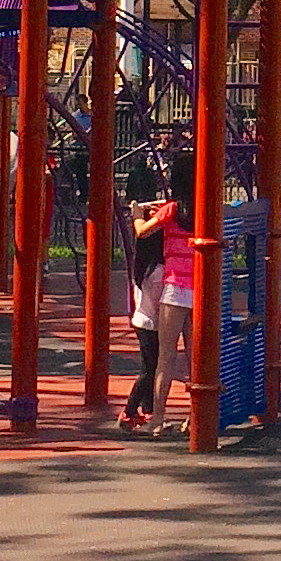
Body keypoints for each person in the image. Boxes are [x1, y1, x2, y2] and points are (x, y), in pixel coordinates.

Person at [119, 172, 181, 431]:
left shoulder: (142, 264)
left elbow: (143, 233)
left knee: (152, 363)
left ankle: (149, 409)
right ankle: (129, 411)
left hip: (143, 319)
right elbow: (161, 304)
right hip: (149, 321)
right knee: (151, 367)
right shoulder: (157, 272)